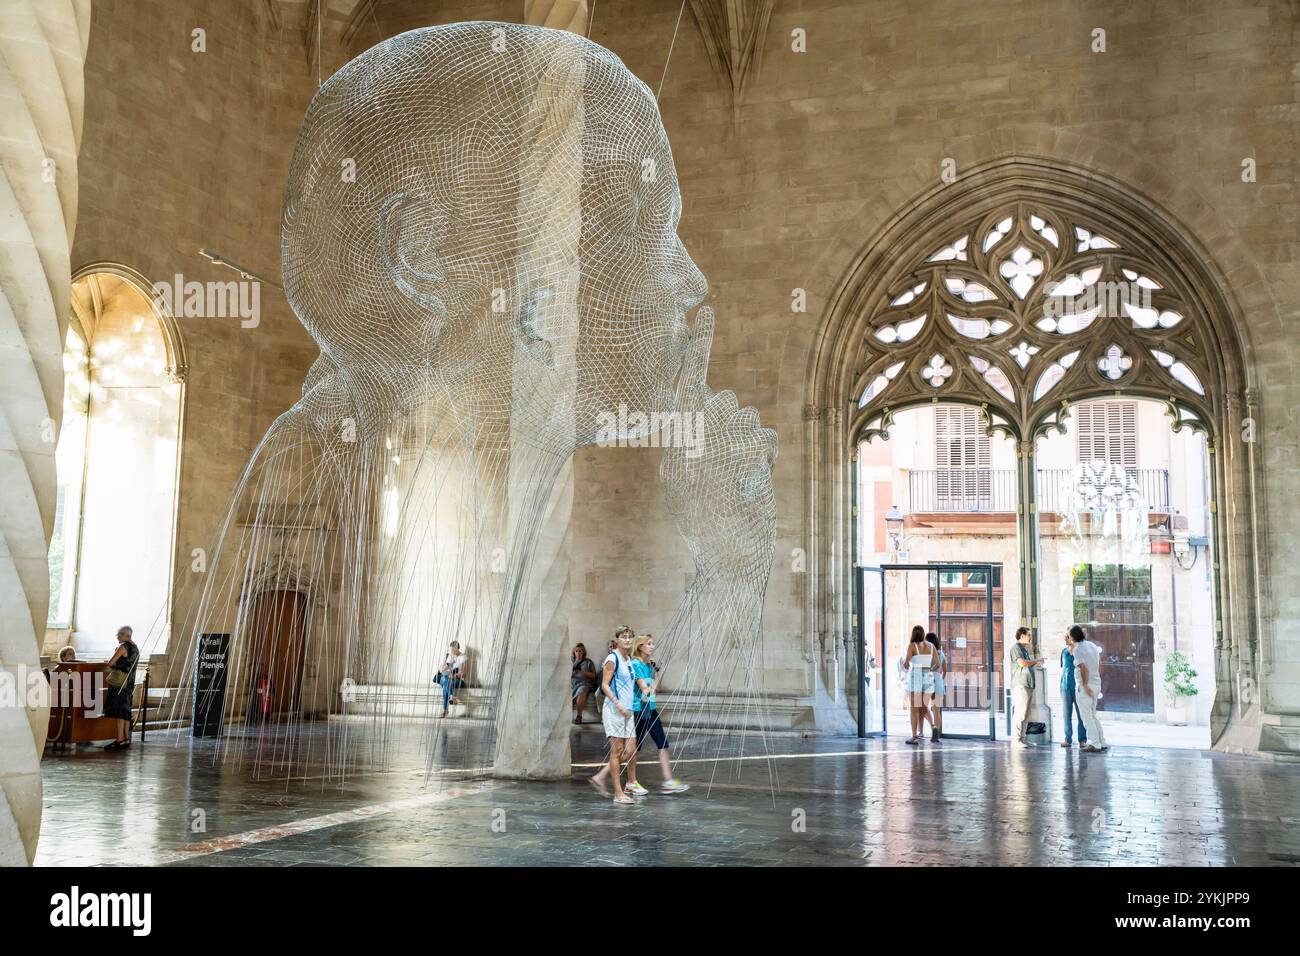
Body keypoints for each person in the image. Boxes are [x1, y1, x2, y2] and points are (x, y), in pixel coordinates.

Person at [623, 634, 689, 795]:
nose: (652, 647)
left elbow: (655, 689)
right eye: (649, 644)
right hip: (639, 710)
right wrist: (649, 688)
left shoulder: (647, 666)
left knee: (663, 743)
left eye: (653, 643)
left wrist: (655, 671)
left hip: (650, 709)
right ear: (640, 646)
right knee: (633, 749)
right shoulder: (636, 664)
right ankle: (623, 779)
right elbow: (645, 689)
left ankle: (668, 781)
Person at [589, 626, 636, 804]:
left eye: (630, 637)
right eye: (624, 637)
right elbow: (605, 685)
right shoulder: (613, 658)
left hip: (628, 711)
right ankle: (618, 794)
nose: (628, 640)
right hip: (614, 710)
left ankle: (600, 777)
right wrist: (618, 704)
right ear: (617, 640)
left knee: (631, 750)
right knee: (616, 751)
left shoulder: (628, 659)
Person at [1067, 625, 1108, 752]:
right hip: (1096, 683)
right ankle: (1102, 741)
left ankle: (1095, 743)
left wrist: (1084, 685)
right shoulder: (1092, 645)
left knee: (1087, 716)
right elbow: (1099, 663)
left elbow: (1083, 667)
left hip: (1086, 685)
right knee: (1093, 715)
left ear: (1072, 637)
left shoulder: (1078, 650)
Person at [101, 626, 139, 750]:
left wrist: (113, 664)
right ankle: (125, 738)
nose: (117, 637)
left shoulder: (123, 647)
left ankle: (119, 739)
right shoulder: (135, 648)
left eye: (118, 635)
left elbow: (111, 663)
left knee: (119, 712)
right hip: (130, 683)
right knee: (125, 711)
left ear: (124, 635)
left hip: (120, 683)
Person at [1010, 626, 1044, 746]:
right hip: (1020, 685)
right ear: (1022, 636)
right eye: (1029, 635)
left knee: (1026, 713)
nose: (1030, 637)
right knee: (1019, 713)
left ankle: (1022, 739)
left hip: (1028, 685)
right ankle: (1016, 740)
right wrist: (1037, 660)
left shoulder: (1024, 649)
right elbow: (1022, 663)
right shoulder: (1016, 648)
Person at [903, 625, 934, 745]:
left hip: (916, 677)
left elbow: (906, 665)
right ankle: (933, 727)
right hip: (928, 677)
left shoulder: (912, 646)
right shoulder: (931, 647)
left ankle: (914, 736)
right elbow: (936, 664)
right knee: (924, 707)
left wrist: (906, 664)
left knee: (914, 709)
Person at [1058, 632, 1087, 749]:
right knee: (1066, 715)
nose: (1065, 639)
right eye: (1065, 637)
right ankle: (1068, 739)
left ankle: (1082, 740)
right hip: (1065, 686)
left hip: (1077, 686)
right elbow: (1063, 668)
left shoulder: (1079, 652)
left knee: (1081, 715)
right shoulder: (1064, 652)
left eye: (1067, 637)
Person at [435, 641, 466, 717]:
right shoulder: (449, 656)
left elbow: (464, 674)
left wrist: (455, 676)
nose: (452, 652)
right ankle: (452, 696)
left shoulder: (463, 657)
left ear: (458, 648)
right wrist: (442, 668)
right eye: (451, 650)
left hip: (457, 680)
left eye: (454, 650)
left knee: (444, 683)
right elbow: (441, 669)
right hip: (447, 678)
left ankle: (445, 711)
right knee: (445, 679)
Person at [571, 643, 598, 724]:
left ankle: (579, 716)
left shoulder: (588, 662)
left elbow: (594, 675)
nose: (578, 653)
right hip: (573, 684)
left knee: (582, 690)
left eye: (580, 651)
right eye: (576, 651)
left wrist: (584, 673)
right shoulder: (571, 662)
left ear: (583, 652)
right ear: (574, 652)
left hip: (585, 683)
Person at [926, 631, 946, 743]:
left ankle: (931, 726)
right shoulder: (941, 654)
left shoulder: (927, 653)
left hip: (927, 680)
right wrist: (940, 680)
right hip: (938, 680)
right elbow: (944, 670)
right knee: (936, 709)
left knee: (922, 707)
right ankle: (936, 733)